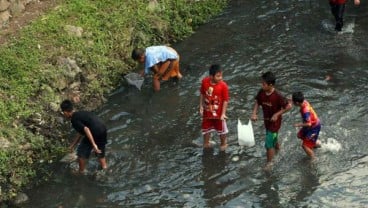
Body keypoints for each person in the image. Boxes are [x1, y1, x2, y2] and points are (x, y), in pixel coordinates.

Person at [251, 71, 291, 168]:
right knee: (272, 137)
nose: (262, 85)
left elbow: (289, 106)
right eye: (262, 83)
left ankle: (269, 163)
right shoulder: (261, 92)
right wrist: (254, 113)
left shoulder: (278, 96)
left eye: (264, 84)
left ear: (271, 85)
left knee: (268, 144)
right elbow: (257, 102)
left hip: (275, 123)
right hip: (267, 121)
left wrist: (277, 114)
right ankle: (278, 148)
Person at [60, 99, 108, 174]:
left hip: (94, 131)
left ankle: (81, 171)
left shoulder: (74, 120)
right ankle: (105, 168)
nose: (64, 115)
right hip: (102, 128)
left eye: (63, 113)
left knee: (81, 153)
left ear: (65, 112)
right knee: (100, 151)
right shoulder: (80, 113)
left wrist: (93, 144)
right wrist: (72, 145)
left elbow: (86, 129)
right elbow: (81, 132)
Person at [199, 64, 229, 151]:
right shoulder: (205, 82)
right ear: (211, 76)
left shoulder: (223, 86)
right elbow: (202, 93)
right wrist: (201, 105)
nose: (220, 78)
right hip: (207, 112)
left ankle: (223, 143)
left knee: (222, 130)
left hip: (218, 114)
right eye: (218, 76)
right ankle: (206, 143)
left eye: (221, 75)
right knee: (206, 129)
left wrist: (223, 113)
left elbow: (225, 100)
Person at [292, 92, 321, 160]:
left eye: (293, 101)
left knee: (304, 146)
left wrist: (298, 125)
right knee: (299, 135)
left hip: (314, 127)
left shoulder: (305, 111)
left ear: (297, 103)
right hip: (310, 126)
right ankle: (315, 143)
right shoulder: (303, 101)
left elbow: (309, 124)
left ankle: (314, 159)